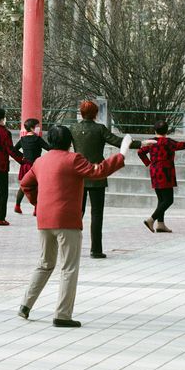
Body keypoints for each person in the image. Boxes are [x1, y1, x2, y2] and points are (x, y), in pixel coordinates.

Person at [17, 124, 122, 327]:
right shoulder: (73, 159)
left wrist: (38, 203)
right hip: (67, 220)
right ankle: (62, 315)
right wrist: (121, 156)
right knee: (68, 268)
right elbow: (98, 171)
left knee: (45, 263)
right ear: (69, 142)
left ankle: (25, 305)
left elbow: (26, 184)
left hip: (44, 219)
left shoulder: (40, 161)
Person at [72, 100, 137, 259]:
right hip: (97, 175)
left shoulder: (73, 128)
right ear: (96, 113)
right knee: (97, 214)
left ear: (81, 112)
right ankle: (96, 250)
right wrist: (142, 144)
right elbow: (118, 142)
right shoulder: (99, 129)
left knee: (76, 214)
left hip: (78, 175)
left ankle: (72, 248)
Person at [138, 119, 185, 233]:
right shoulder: (168, 142)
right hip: (166, 172)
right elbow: (184, 145)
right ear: (167, 131)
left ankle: (160, 224)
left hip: (155, 172)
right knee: (168, 200)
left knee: (161, 199)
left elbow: (140, 152)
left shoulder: (151, 142)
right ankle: (151, 220)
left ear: (155, 130)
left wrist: (148, 163)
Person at [12, 119, 48, 215]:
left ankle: (17, 205)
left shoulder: (23, 139)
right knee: (37, 187)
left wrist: (22, 157)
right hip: (36, 166)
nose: (38, 128)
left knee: (23, 186)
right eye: (37, 126)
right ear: (32, 128)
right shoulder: (37, 139)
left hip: (25, 165)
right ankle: (36, 208)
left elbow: (14, 149)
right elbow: (48, 148)